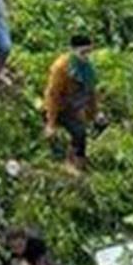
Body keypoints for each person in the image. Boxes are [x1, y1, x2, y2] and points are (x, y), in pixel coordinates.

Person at [44, 35, 99, 173]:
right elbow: (53, 95)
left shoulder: (88, 68)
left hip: (76, 105)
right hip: (60, 106)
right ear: (73, 51)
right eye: (83, 52)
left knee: (85, 132)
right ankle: (68, 161)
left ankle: (80, 160)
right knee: (78, 132)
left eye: (89, 52)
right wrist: (51, 123)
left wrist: (94, 114)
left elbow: (91, 93)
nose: (86, 56)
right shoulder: (61, 67)